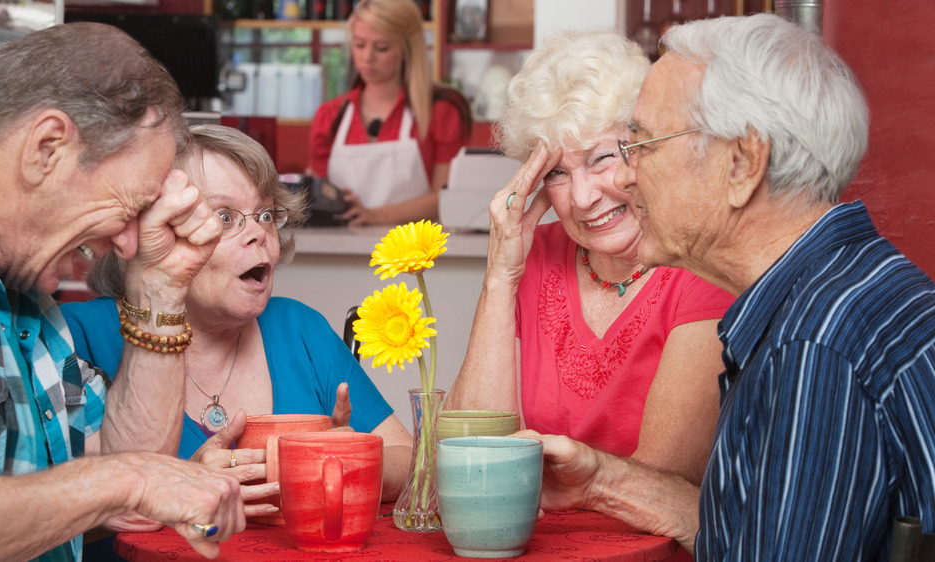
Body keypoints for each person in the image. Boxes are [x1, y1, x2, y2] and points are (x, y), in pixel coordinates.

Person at [518, 13, 935, 560]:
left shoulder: (809, 349)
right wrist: (600, 481)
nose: (625, 177)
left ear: (742, 163)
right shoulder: (858, 281)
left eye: (644, 145)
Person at [0, 23, 244, 561]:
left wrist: (161, 287)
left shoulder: (23, 294)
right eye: (128, 208)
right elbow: (121, 482)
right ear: (47, 147)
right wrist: (123, 480)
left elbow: (125, 495)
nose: (126, 243)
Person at [61, 125, 413, 503]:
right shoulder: (76, 337)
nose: (259, 233)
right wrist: (183, 486)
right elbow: (57, 503)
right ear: (150, 233)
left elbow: (411, 462)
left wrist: (350, 462)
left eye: (264, 214)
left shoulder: (299, 329)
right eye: (224, 218)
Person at [444, 30, 734, 487]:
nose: (582, 198)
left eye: (601, 159)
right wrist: (501, 274)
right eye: (557, 172)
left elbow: (665, 480)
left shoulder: (697, 263)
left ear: (647, 149)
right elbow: (470, 462)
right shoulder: (532, 256)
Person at [308, 0, 472, 226]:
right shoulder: (330, 116)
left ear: (407, 49)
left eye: (382, 47)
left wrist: (375, 216)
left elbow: (445, 196)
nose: (367, 58)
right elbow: (319, 193)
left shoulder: (442, 111)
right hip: (341, 250)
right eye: (359, 44)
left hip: (417, 251)